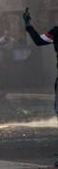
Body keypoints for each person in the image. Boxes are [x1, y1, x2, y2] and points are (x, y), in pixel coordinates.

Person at [22, 8, 57, 137]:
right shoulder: (56, 31)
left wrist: (28, 24)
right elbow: (39, 41)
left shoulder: (56, 31)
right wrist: (28, 25)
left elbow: (38, 41)